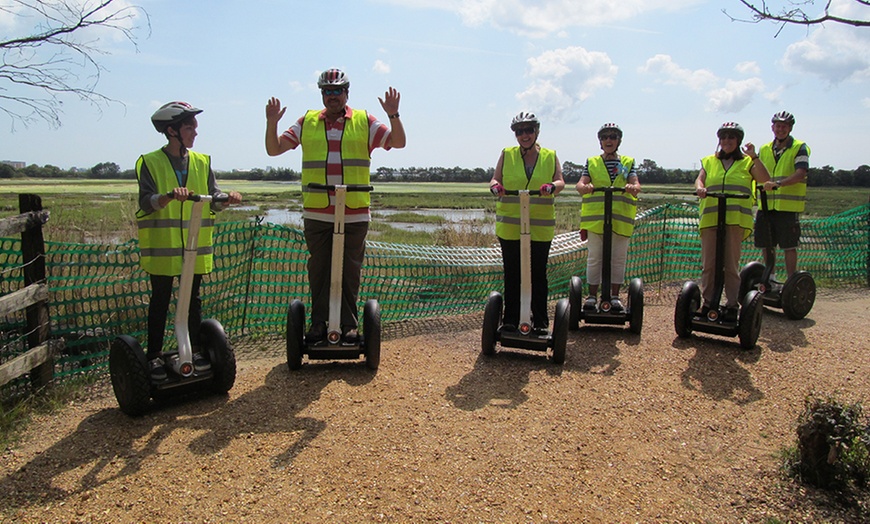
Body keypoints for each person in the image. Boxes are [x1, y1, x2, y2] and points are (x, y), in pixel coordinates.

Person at [264, 68, 406, 344]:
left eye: (337, 91)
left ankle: (348, 325)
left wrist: (393, 114)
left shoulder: (364, 121)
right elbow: (274, 149)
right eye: (327, 92)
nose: (333, 96)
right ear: (322, 94)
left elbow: (398, 142)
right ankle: (318, 324)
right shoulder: (307, 122)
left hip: (353, 212)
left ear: (346, 93)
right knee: (319, 270)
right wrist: (271, 122)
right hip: (318, 212)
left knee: (349, 271)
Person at [136, 101, 242, 381]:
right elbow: (146, 202)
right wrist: (168, 196)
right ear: (172, 131)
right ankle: (154, 356)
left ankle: (194, 351)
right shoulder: (149, 162)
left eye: (194, 126)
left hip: (194, 247)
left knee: (192, 301)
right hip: (163, 247)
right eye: (189, 126)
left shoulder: (202, 161)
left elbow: (213, 198)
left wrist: (227, 199)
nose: (195, 131)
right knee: (159, 299)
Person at [489, 112, 565, 335]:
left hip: (540, 228)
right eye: (519, 131)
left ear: (536, 131)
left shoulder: (550, 155)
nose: (524, 135)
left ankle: (540, 321)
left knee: (538, 274)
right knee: (512, 273)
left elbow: (560, 180)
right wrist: (495, 187)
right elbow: (495, 178)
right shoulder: (507, 154)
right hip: (511, 227)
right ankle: (510, 320)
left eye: (528, 130)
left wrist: (552, 186)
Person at [694, 122, 770, 321]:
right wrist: (700, 187)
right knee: (709, 264)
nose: (727, 141)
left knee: (730, 264)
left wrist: (754, 156)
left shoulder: (747, 162)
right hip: (711, 219)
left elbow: (764, 179)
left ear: (738, 141)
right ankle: (708, 303)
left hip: (735, 220)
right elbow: (700, 179)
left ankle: (731, 305)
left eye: (731, 137)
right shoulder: (710, 161)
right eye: (724, 137)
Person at [575, 123, 641, 313]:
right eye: (605, 137)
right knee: (595, 258)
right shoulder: (592, 162)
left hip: (620, 220)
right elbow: (581, 184)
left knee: (618, 259)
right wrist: (584, 187)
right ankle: (591, 296)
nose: (609, 140)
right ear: (600, 142)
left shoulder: (627, 162)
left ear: (619, 140)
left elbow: (636, 184)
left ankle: (614, 297)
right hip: (596, 221)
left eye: (613, 137)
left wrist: (633, 188)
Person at [755, 111, 810, 278]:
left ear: (790, 128)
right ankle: (770, 278)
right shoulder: (764, 149)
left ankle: (791, 281)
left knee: (789, 246)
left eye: (784, 126)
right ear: (773, 127)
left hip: (787, 206)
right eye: (778, 126)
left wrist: (778, 184)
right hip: (766, 205)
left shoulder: (799, 147)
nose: (781, 129)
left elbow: (801, 173)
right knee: (767, 244)